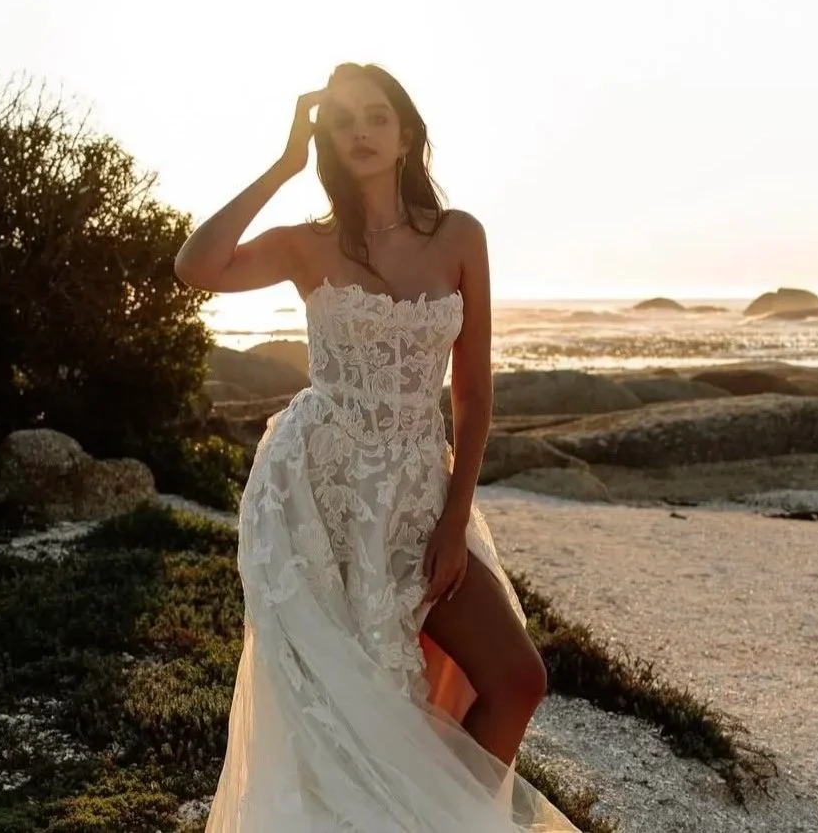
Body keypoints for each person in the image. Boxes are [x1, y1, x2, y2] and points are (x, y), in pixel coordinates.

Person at [175, 62, 582, 832]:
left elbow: (472, 393)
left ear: (406, 133)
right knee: (346, 710)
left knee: (517, 679)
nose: (359, 131)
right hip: (318, 494)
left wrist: (454, 518)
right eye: (340, 121)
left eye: (375, 116)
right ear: (324, 139)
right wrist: (283, 165)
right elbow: (195, 267)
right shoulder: (306, 244)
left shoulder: (461, 237)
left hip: (418, 490)